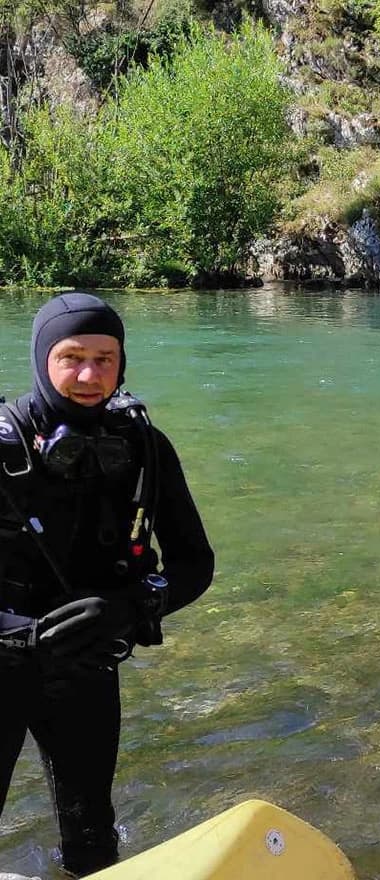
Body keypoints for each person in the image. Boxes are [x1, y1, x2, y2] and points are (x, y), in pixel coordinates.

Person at [0, 293, 215, 876]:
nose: (90, 375)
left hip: (87, 667)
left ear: (123, 364)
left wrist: (133, 606)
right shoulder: (3, 449)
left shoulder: (145, 449)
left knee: (91, 832)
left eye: (106, 358)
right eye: (72, 357)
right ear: (42, 358)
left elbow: (196, 564)